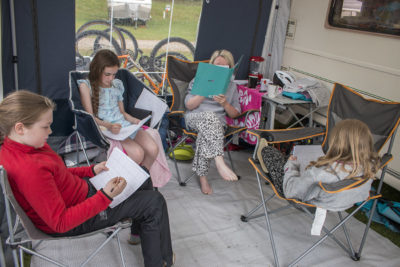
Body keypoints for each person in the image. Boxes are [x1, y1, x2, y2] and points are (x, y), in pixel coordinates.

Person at [0, 90, 174, 267]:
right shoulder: (29, 170)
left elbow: (59, 174)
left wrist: (91, 170)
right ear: (20, 128)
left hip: (83, 193)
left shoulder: (24, 146)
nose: (50, 131)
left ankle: (139, 231)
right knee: (154, 202)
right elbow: (60, 223)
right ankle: (160, 261)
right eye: (45, 126)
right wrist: (105, 196)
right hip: (75, 218)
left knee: (141, 174)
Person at [78, 49, 158, 171]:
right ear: (97, 70)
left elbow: (122, 112)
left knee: (153, 149)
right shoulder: (86, 86)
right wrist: (109, 125)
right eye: (107, 74)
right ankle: (127, 184)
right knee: (137, 153)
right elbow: (90, 117)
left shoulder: (117, 84)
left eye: (114, 74)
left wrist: (134, 120)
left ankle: (141, 181)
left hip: (124, 125)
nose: (111, 78)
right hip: (105, 128)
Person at [282, 119, 381, 211]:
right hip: (346, 202)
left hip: (313, 204)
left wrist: (292, 166)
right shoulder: (370, 165)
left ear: (336, 144)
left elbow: (291, 191)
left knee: (270, 153)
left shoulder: (322, 173)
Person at [184, 49, 241, 195]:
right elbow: (189, 105)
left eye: (223, 68)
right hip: (195, 117)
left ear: (229, 70)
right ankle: (219, 161)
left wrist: (225, 104)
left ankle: (203, 179)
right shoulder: (198, 80)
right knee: (209, 117)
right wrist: (204, 92)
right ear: (211, 66)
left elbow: (235, 114)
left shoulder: (232, 86)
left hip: (216, 124)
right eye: (216, 67)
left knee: (208, 129)